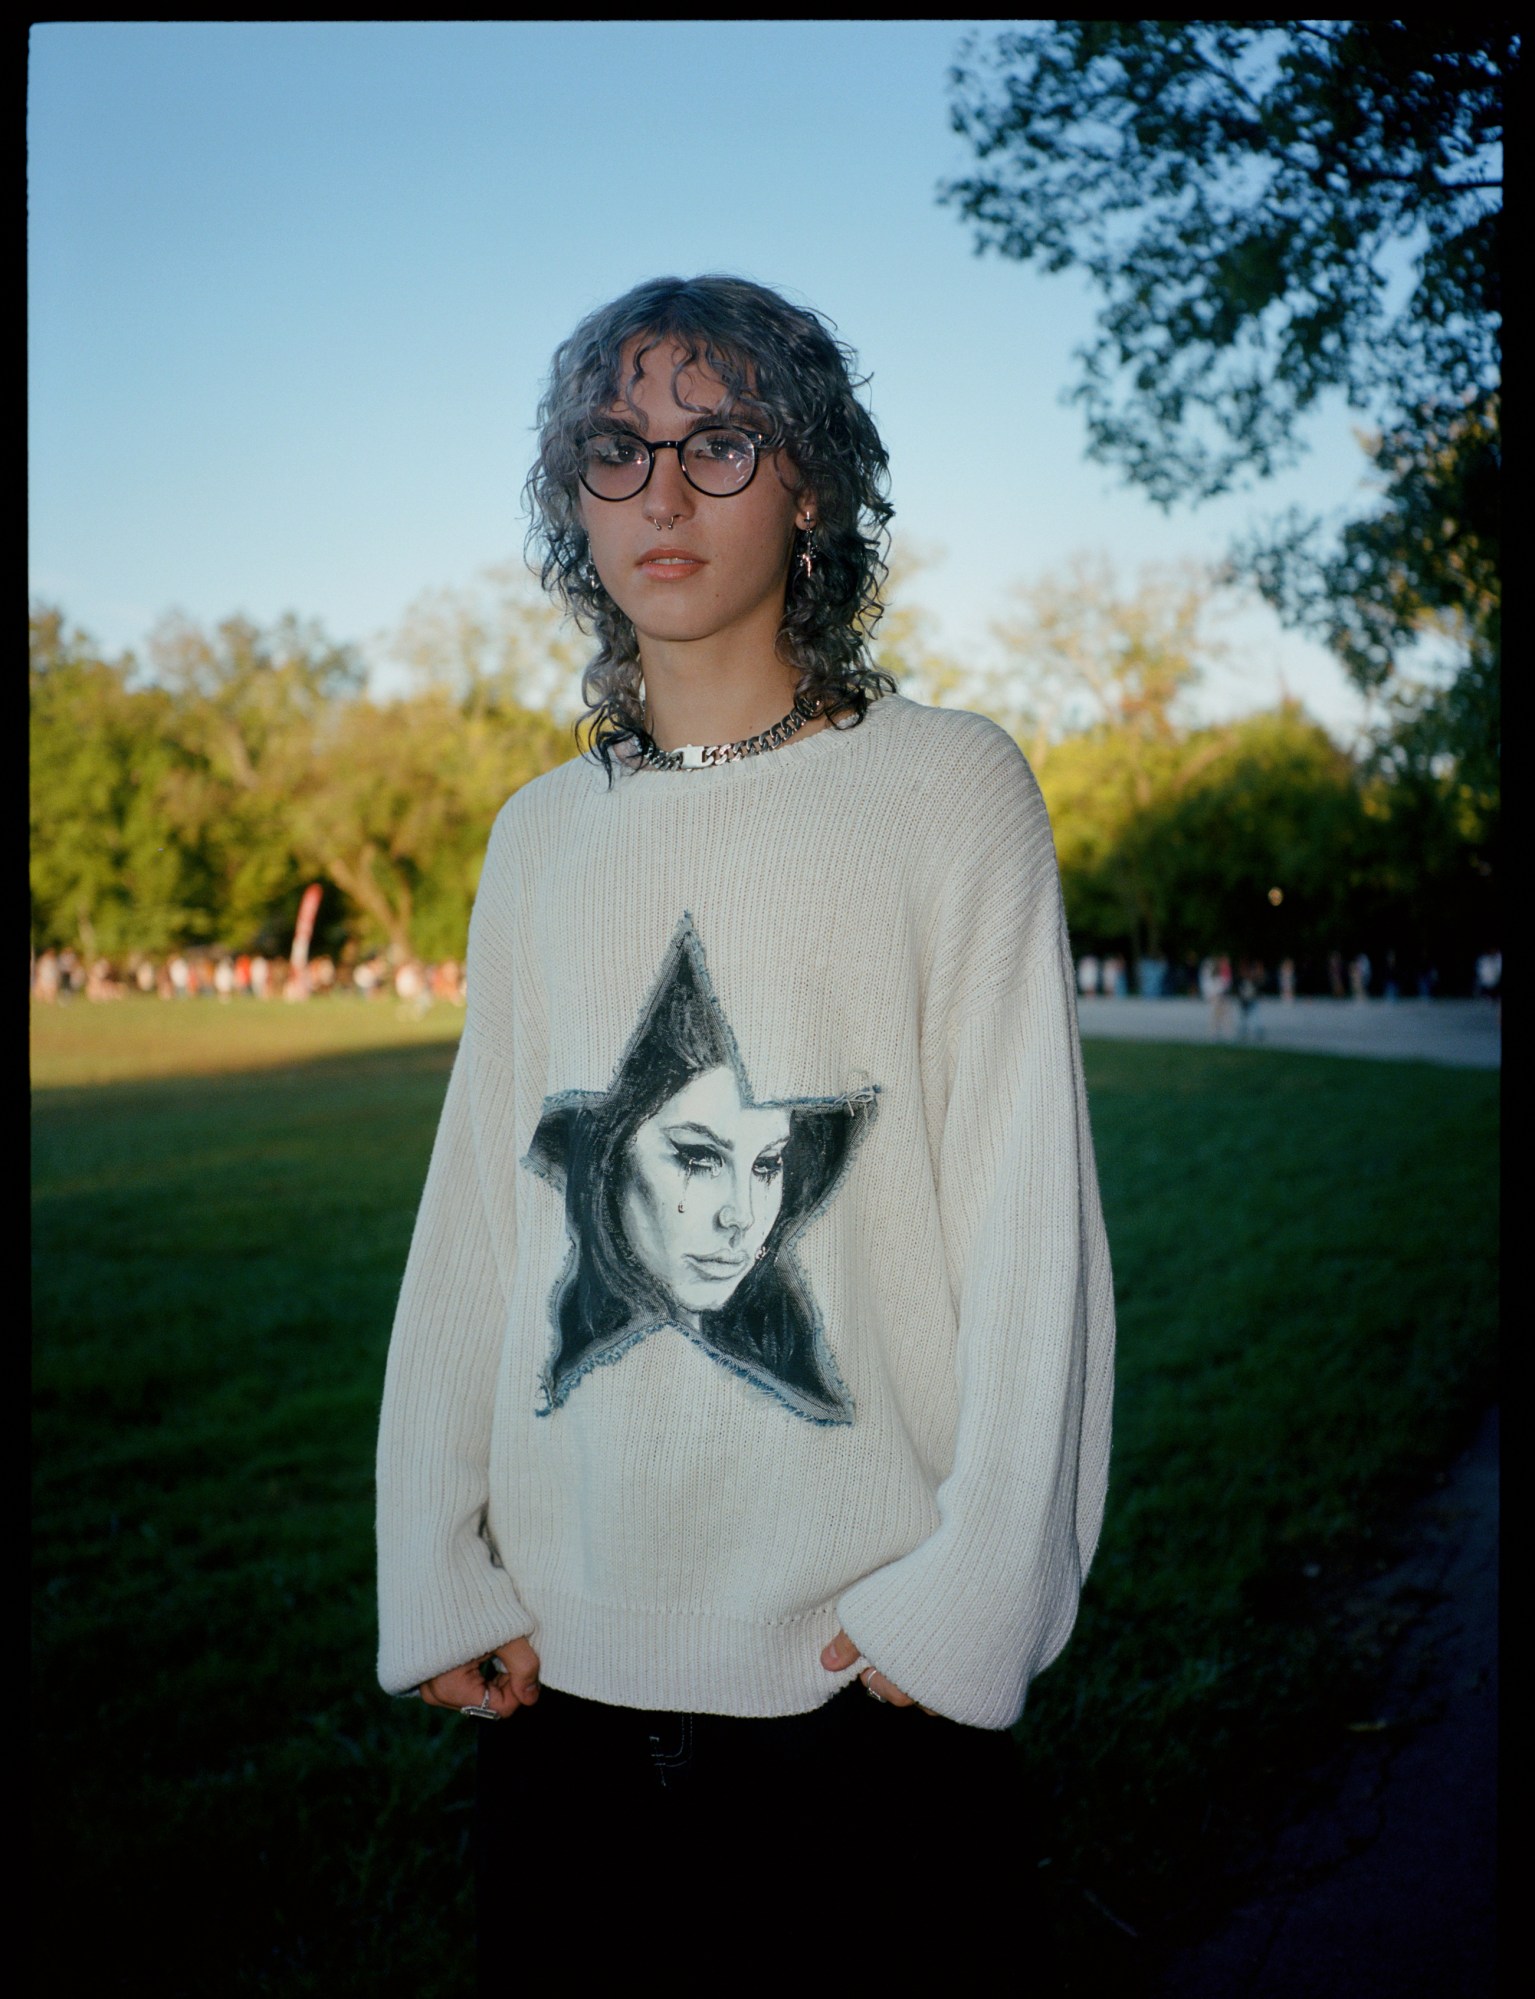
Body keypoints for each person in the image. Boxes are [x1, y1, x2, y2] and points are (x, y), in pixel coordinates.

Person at [374, 275, 1114, 1972]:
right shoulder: (535, 838)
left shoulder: (951, 789)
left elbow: (1028, 1219)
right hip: (558, 1680)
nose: (666, 491)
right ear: (571, 496)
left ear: (814, 485)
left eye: (722, 440)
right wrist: (434, 1551)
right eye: (614, 449)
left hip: (865, 1684)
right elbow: (481, 1215)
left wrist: (981, 1589)